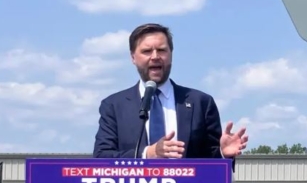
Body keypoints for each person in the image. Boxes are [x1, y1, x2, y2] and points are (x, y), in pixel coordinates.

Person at [92, 23, 247, 163]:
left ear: (171, 54)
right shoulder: (114, 105)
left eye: (161, 50)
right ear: (133, 57)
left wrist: (223, 154)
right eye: (146, 51)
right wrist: (148, 153)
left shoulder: (201, 103)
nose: (155, 57)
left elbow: (210, 162)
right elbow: (102, 157)